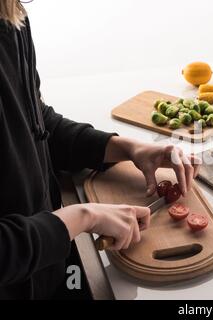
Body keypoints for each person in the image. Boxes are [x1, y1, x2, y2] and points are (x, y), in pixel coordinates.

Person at [0, 0, 201, 299]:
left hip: (47, 268)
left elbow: (34, 124)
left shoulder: (11, 15)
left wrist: (124, 148)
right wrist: (83, 217)